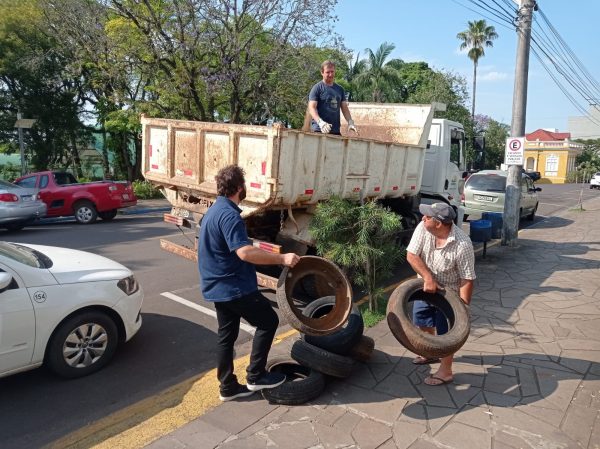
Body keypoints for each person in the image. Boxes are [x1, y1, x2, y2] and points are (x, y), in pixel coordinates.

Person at [198, 164, 300, 401]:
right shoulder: (230, 215)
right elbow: (244, 253)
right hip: (234, 288)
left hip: (217, 288)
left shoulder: (212, 212)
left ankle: (228, 388)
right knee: (268, 321)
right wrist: (282, 258)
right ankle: (256, 376)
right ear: (239, 188)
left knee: (227, 336)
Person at [406, 202, 476, 386]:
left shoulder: (463, 244)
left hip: (449, 294)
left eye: (427, 216)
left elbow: (467, 279)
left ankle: (446, 371)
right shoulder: (423, 227)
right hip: (425, 286)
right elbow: (411, 255)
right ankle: (431, 352)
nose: (423, 218)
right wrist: (428, 277)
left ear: (438, 223)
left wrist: (463, 310)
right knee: (421, 319)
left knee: (446, 332)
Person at [308, 60, 359, 136]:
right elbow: (311, 108)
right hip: (319, 130)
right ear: (322, 73)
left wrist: (350, 122)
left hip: (335, 131)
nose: (330, 74)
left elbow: (344, 108)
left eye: (332, 71)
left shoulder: (340, 89)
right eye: (328, 72)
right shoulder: (317, 88)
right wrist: (320, 122)